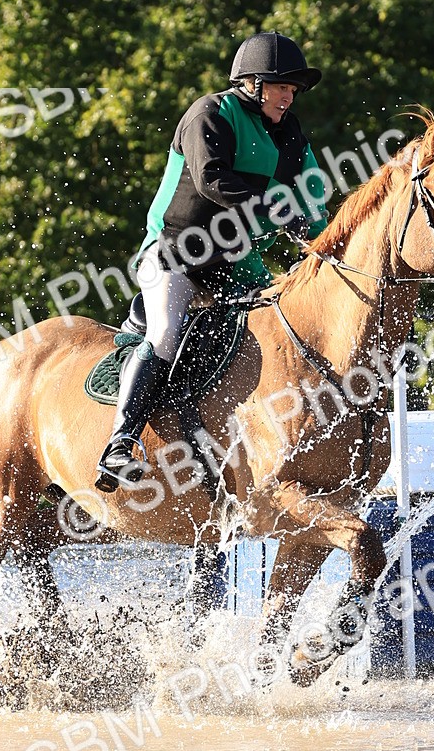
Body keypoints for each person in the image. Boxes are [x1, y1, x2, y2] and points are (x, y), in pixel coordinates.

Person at [96, 30, 329, 492]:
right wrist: (276, 207)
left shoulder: (290, 133)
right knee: (166, 332)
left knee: (286, 328)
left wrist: (324, 238)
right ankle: (119, 443)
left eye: (293, 88)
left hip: (236, 261)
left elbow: (314, 192)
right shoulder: (210, 113)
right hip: (177, 252)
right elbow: (210, 181)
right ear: (253, 83)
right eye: (282, 85)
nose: (290, 95)